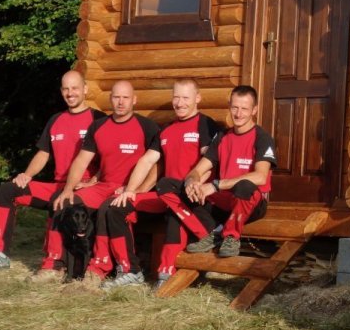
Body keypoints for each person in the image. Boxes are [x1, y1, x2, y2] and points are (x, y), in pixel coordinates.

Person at [0, 70, 104, 274]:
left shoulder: (98, 119)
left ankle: (54, 264)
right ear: (61, 91)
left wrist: (95, 179)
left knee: (60, 199)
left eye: (75, 88)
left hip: (83, 189)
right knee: (8, 190)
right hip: (57, 185)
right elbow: (43, 153)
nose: (70, 93)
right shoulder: (56, 120)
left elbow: (110, 156)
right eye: (66, 89)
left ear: (85, 89)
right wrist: (27, 175)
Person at [103, 79, 219, 290]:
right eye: (176, 97)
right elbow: (147, 161)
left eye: (185, 98)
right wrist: (131, 190)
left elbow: (210, 162)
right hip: (165, 194)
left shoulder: (206, 125)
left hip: (193, 196)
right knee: (116, 207)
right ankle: (130, 271)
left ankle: (166, 275)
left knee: (174, 214)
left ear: (198, 98)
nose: (180, 103)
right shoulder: (166, 130)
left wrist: (198, 184)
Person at [53, 80, 161, 278]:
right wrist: (68, 189)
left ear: (134, 100)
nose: (121, 102)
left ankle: (100, 268)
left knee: (107, 209)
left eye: (125, 97)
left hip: (129, 188)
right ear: (110, 99)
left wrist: (139, 190)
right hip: (103, 186)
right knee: (67, 202)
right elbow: (81, 160)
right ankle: (59, 265)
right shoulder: (98, 126)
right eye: (116, 97)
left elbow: (157, 164)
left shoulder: (147, 127)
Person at [178, 85, 276, 259]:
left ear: (254, 110)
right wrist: (192, 182)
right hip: (224, 201)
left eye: (244, 109)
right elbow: (199, 169)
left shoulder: (262, 138)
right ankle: (212, 233)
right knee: (173, 186)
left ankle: (231, 236)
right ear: (229, 107)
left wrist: (216, 185)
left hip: (251, 203)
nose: (238, 114)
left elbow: (260, 177)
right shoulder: (222, 136)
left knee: (245, 185)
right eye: (235, 107)